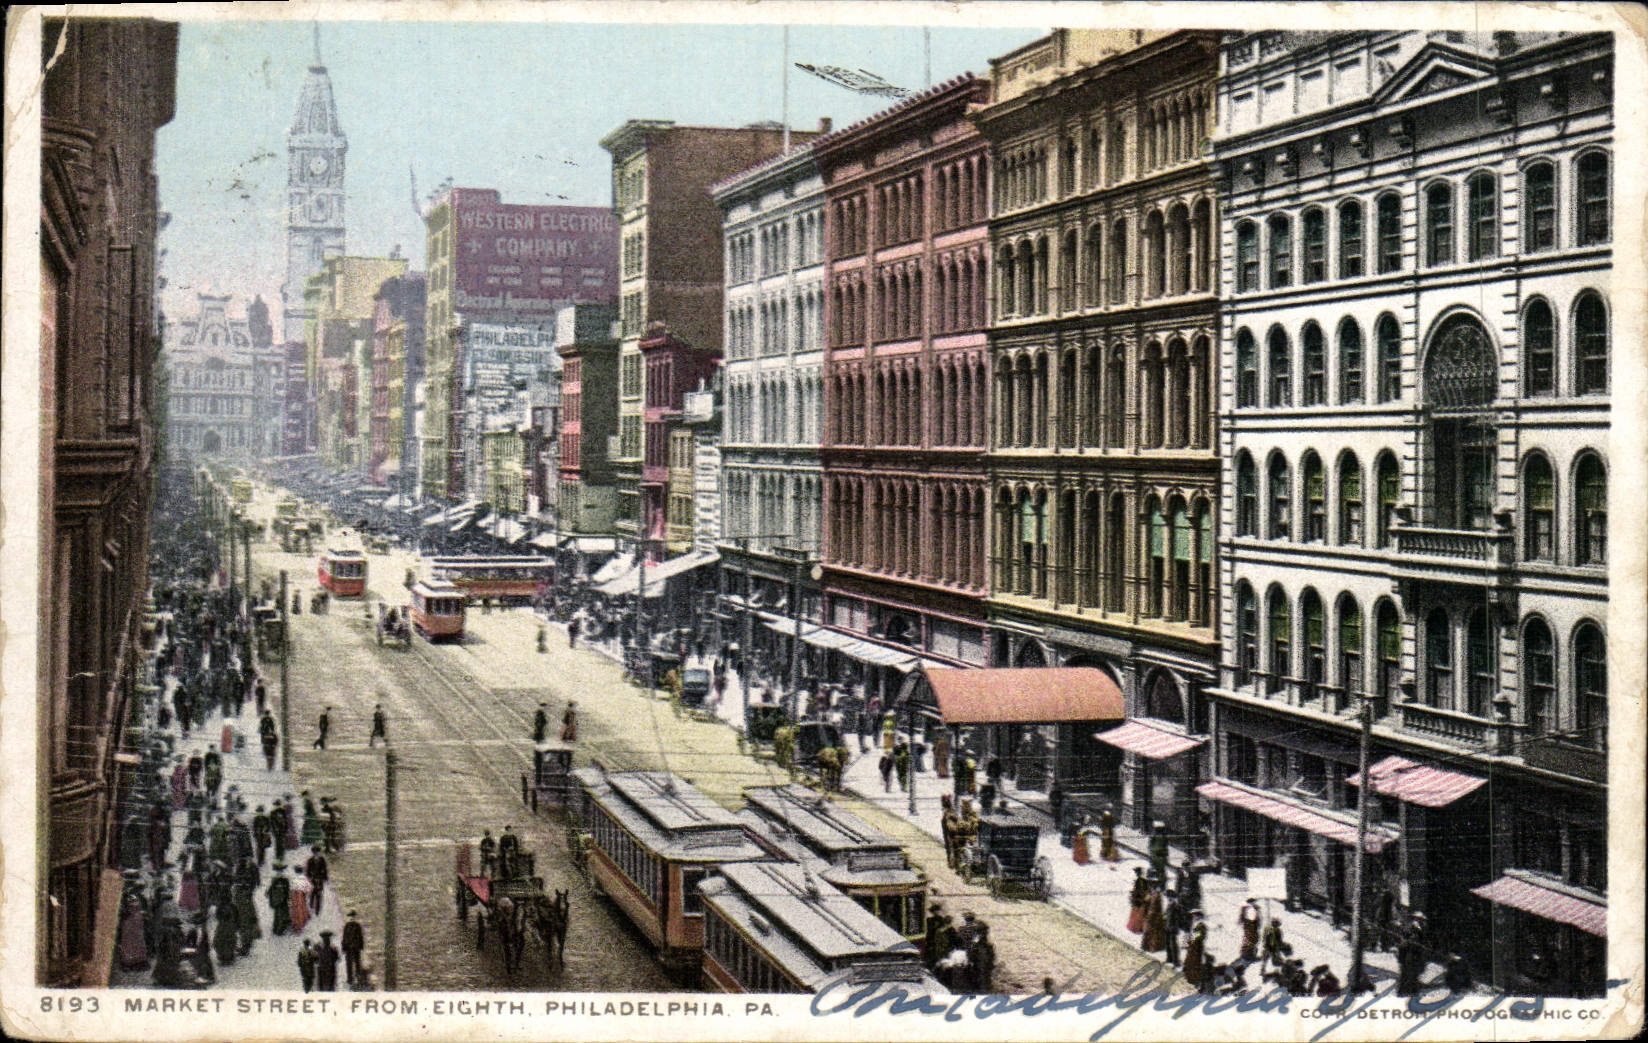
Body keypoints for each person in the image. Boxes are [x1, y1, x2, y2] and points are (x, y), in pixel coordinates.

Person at [267, 861, 291, 935]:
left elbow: (287, 890)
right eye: (278, 871)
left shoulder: (285, 880)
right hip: (278, 901)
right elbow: (271, 890)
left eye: (281, 871)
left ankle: (278, 929)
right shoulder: (275, 880)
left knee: (281, 914)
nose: (279, 873)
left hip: (282, 900)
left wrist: (288, 898)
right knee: (279, 915)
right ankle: (278, 930)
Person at [1141, 884, 1167, 953]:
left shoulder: (1157, 896)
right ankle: (1146, 946)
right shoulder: (1151, 895)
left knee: (1153, 932)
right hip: (1151, 916)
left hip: (1154, 917)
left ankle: (1151, 947)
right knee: (1149, 931)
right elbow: (1146, 903)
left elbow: (1157, 907)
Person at [342, 911, 365, 986]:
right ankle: (350, 979)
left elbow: (360, 936)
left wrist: (361, 946)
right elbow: (344, 937)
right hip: (349, 948)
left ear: (355, 917)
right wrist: (344, 947)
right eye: (350, 916)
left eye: (353, 916)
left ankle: (358, 977)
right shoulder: (347, 926)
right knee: (349, 964)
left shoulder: (357, 926)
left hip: (355, 948)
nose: (351, 918)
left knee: (357, 962)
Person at [305, 845, 329, 914]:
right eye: (315, 852)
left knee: (319, 894)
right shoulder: (310, 860)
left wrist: (325, 878)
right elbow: (308, 870)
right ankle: (311, 905)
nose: (316, 854)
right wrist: (309, 877)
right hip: (313, 880)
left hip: (319, 880)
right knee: (312, 893)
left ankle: (317, 910)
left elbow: (324, 869)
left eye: (318, 852)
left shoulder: (322, 860)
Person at [1126, 867, 1149, 935]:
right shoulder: (1141, 880)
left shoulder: (1141, 881)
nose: (1136, 874)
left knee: (1138, 916)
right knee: (1138, 915)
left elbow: (1143, 892)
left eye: (1137, 873)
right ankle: (1137, 927)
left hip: (1139, 901)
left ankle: (1136, 928)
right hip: (1139, 901)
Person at [1147, 820, 1170, 885]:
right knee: (1158, 871)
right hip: (1157, 856)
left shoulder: (1162, 837)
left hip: (1159, 856)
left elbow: (1165, 847)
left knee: (1160, 871)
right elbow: (1151, 847)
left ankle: (1161, 883)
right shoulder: (1156, 836)